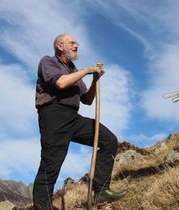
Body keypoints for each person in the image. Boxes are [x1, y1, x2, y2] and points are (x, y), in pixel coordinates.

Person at [33, 33, 127, 209]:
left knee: (109, 140)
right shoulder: (48, 62)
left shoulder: (74, 71)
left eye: (76, 43)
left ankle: (101, 190)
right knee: (50, 166)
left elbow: (88, 100)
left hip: (72, 117)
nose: (76, 45)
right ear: (60, 46)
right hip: (53, 116)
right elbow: (60, 83)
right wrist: (86, 71)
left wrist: (94, 80)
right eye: (72, 43)